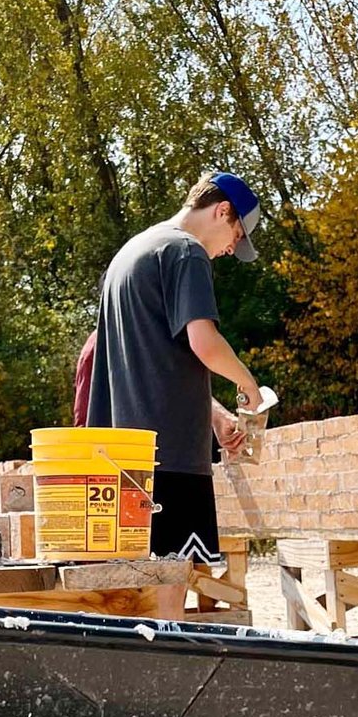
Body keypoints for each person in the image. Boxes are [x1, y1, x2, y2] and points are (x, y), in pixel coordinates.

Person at [88, 171, 264, 561]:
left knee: (133, 589)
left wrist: (215, 416)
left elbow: (152, 359)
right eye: (237, 237)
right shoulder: (187, 252)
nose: (232, 250)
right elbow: (204, 342)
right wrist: (248, 384)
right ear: (222, 211)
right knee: (169, 593)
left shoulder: (132, 253)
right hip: (170, 462)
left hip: (121, 456)